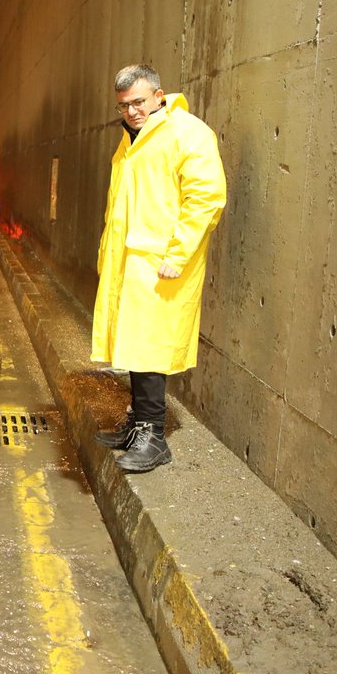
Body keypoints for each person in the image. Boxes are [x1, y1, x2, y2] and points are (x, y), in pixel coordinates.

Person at [91, 64, 227, 472]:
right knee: (134, 346)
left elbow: (206, 198)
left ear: (159, 95)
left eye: (138, 102)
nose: (131, 111)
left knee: (150, 348)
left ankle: (154, 435)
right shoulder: (131, 140)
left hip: (161, 264)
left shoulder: (188, 133)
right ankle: (139, 424)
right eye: (124, 105)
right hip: (131, 261)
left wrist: (177, 254)